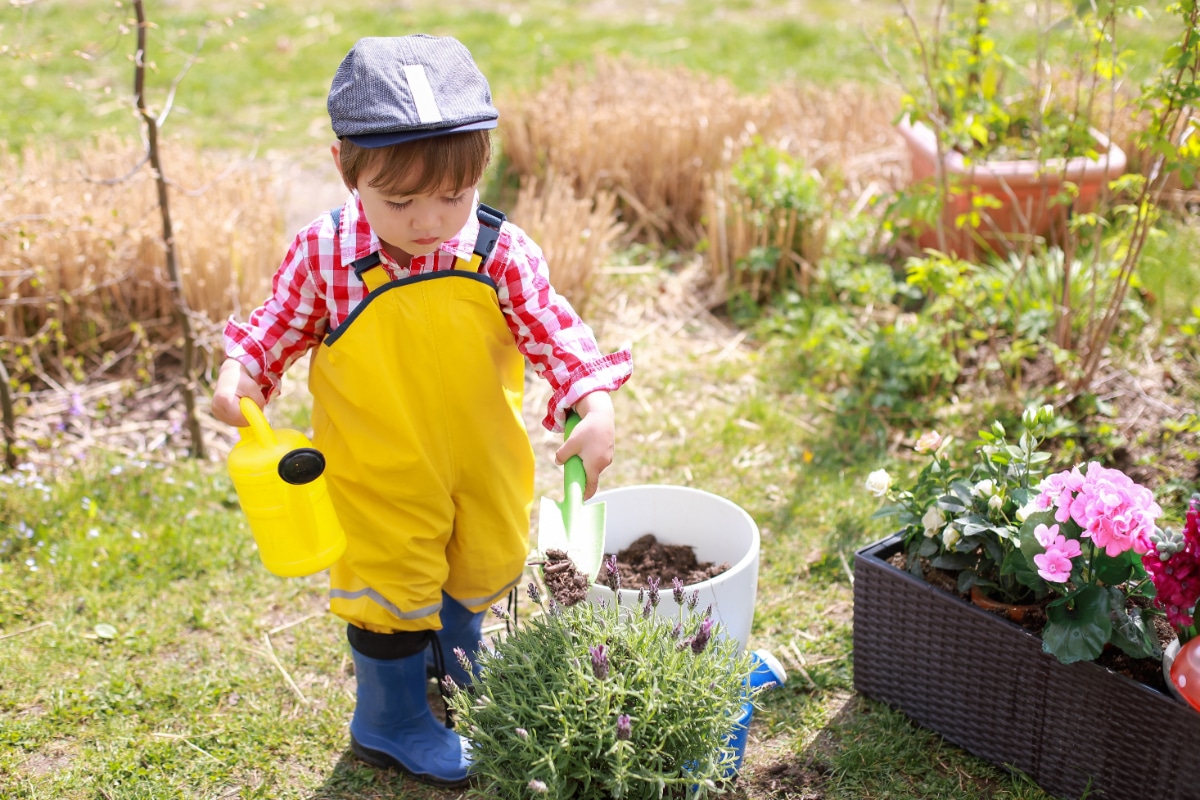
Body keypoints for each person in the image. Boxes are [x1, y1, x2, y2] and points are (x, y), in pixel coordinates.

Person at [210, 34, 632, 787]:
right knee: (389, 589)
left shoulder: (500, 254)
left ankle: (451, 663)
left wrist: (591, 402)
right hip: (378, 470)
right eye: (400, 201)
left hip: (481, 460)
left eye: (453, 196)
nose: (430, 221)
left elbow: (557, 335)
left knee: (482, 562)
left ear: (481, 169)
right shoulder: (325, 258)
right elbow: (273, 326)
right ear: (346, 169)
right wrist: (242, 373)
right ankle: (390, 719)